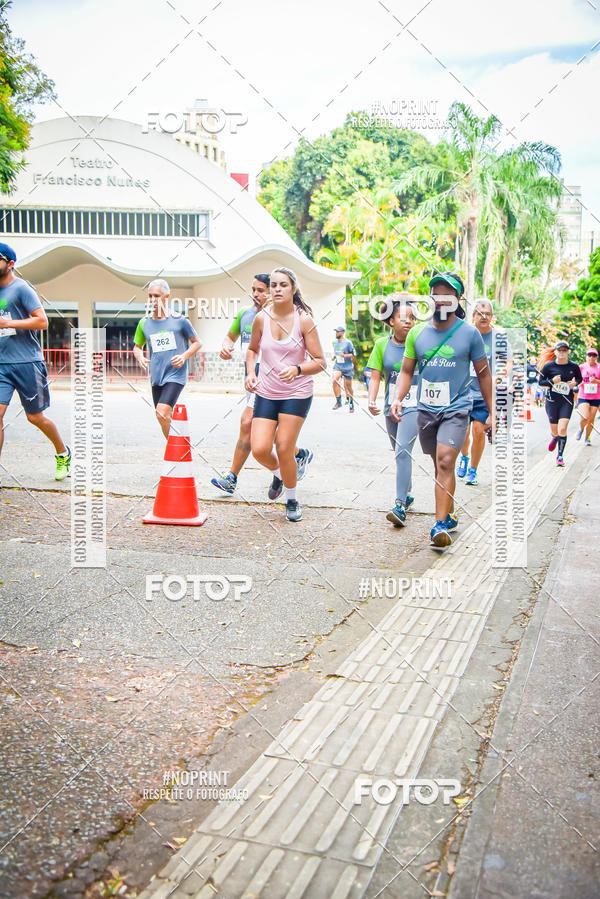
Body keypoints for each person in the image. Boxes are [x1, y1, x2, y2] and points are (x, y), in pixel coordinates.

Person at [390, 272, 492, 549]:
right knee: (439, 465)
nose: (440, 298)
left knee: (446, 461)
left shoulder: (470, 333)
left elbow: (483, 375)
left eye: (448, 293)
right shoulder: (417, 333)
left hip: (457, 407)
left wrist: (492, 411)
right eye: (436, 292)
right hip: (426, 409)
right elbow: (407, 371)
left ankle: (437, 526)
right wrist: (398, 398)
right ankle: (448, 514)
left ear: (457, 299)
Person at [211, 275, 312, 494]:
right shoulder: (247, 315)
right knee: (264, 433)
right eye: (253, 289)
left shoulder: (285, 318)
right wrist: (225, 347)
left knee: (249, 423)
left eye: (260, 290)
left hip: (274, 380)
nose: (256, 294)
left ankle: (234, 477)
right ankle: (293, 459)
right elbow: (231, 337)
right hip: (253, 379)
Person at [245, 267, 325, 522]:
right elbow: (252, 350)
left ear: (293, 289)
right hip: (267, 391)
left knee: (283, 446)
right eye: (274, 285)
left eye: (283, 285)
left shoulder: (304, 320)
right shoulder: (261, 319)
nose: (277, 289)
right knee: (258, 449)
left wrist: (297, 369)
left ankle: (291, 498)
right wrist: (250, 373)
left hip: (296, 392)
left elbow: (321, 362)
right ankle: (282, 473)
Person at [0, 242, 71, 485]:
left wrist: (8, 324)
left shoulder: (22, 289)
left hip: (28, 362)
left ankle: (63, 452)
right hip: (2, 364)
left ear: (10, 264)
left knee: (35, 417)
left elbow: (42, 322)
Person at [367, 300, 418, 527]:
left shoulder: (421, 343)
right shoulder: (381, 345)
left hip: (415, 404)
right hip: (391, 405)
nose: (408, 321)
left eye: (412, 318)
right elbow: (376, 375)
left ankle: (399, 505)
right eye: (402, 317)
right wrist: (371, 399)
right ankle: (406, 490)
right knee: (398, 450)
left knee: (402, 450)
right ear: (390, 321)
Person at [133, 279, 202, 438]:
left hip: (175, 375)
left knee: (161, 413)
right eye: (150, 296)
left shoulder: (180, 321)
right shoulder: (144, 323)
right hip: (157, 377)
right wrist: (140, 357)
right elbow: (137, 347)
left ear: (167, 296)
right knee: (163, 417)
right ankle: (178, 448)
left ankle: (176, 451)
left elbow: (198, 343)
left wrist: (184, 356)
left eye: (156, 296)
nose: (152, 300)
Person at [456, 299, 502, 486]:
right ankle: (464, 457)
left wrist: (501, 373)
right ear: (473, 316)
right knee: (462, 434)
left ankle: (473, 471)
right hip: (464, 391)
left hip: (484, 393)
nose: (484, 317)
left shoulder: (498, 338)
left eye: (487, 314)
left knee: (479, 431)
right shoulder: (464, 335)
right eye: (480, 313)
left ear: (492, 317)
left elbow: (508, 361)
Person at [538, 341, 582, 466]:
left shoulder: (573, 366)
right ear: (556, 352)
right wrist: (552, 381)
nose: (562, 353)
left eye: (564, 350)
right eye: (560, 350)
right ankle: (555, 437)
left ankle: (560, 456)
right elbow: (541, 382)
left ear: (568, 351)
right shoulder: (548, 366)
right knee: (555, 430)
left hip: (566, 401)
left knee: (562, 429)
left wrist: (574, 383)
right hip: (552, 401)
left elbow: (580, 378)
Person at [576, 348, 600, 445]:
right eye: (589, 355)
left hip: (596, 397)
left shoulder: (599, 368)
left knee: (591, 419)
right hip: (583, 396)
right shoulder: (581, 367)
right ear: (586, 357)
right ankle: (581, 429)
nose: (591, 357)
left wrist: (596, 381)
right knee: (584, 417)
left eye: (593, 355)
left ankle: (587, 437)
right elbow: (575, 380)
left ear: (596, 357)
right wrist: (579, 383)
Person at [331, 326, 355, 412]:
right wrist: (334, 356)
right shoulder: (335, 343)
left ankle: (351, 403)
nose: (336, 333)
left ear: (343, 332)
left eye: (338, 332)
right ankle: (338, 401)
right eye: (336, 332)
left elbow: (353, 354)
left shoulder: (348, 343)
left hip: (348, 367)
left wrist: (344, 355)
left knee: (348, 387)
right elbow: (336, 353)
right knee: (334, 379)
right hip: (338, 366)